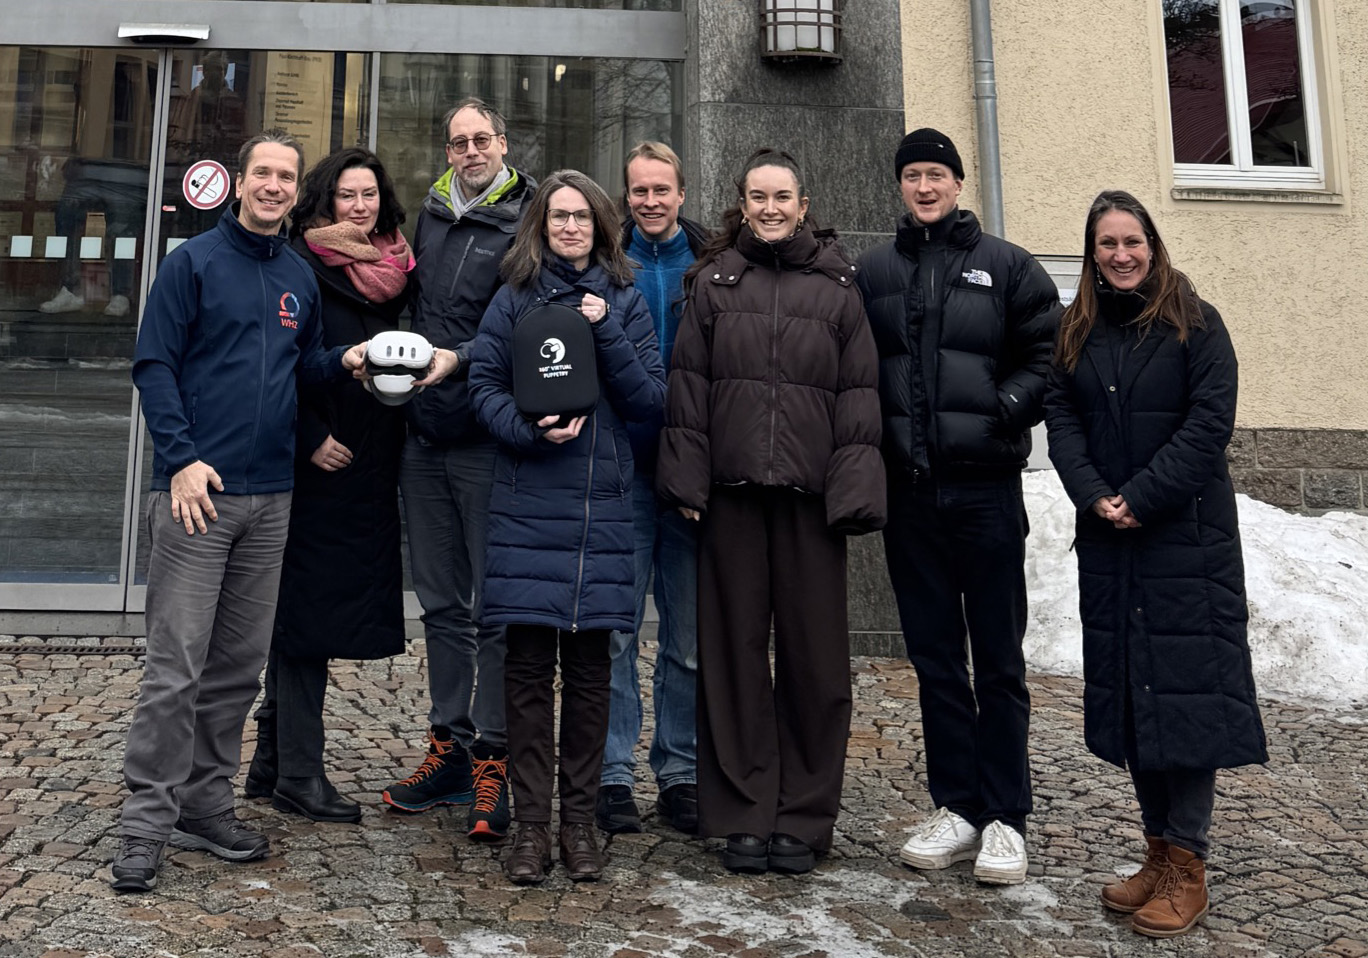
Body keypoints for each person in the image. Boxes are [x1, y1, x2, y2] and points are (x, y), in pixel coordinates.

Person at [112, 132, 401, 893]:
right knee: (177, 668)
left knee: (238, 669)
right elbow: (154, 365)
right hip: (197, 496)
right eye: (263, 174)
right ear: (240, 183)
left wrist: (342, 360)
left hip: (272, 498)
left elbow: (299, 366)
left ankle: (205, 806)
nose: (274, 186)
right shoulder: (192, 265)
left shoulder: (300, 277)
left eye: (286, 177)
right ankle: (146, 824)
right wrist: (180, 459)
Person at [1044, 190, 1267, 938]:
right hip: (1112, 542)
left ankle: (1190, 866)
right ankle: (1157, 852)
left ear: (1153, 243)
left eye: (1132, 240)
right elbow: (1062, 419)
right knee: (1137, 699)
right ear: (1092, 253)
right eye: (1106, 243)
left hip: (1185, 542)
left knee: (1187, 698)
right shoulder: (1076, 330)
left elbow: (1211, 424)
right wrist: (1093, 496)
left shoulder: (1196, 325)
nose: (1121, 254)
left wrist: (1140, 497)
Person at [656, 148, 885, 876]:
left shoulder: (840, 288)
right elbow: (688, 388)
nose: (770, 208)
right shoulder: (716, 283)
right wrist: (686, 484)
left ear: (804, 202)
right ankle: (744, 813)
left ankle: (804, 817)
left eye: (782, 195)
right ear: (743, 203)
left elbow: (858, 397)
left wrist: (853, 492)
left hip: (812, 504)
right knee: (733, 663)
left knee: (817, 667)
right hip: (732, 499)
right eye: (758, 196)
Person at [855, 128, 1060, 885]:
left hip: (986, 494)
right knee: (937, 661)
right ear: (900, 186)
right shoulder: (871, 270)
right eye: (912, 175)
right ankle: (958, 806)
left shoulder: (1006, 266)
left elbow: (1050, 354)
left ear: (958, 182)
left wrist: (1007, 407)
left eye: (937, 174)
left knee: (999, 663)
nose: (925, 186)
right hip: (912, 496)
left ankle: (1007, 816)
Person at [468, 169, 665, 885]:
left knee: (587, 679)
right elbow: (482, 386)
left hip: (599, 513)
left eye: (583, 216)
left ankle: (579, 827)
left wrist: (603, 327)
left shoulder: (623, 299)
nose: (571, 227)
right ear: (541, 226)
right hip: (528, 505)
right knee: (525, 678)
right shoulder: (513, 298)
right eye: (559, 217)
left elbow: (649, 399)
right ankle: (530, 832)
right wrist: (524, 430)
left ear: (601, 225)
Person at [246, 147, 437, 823]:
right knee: (305, 618)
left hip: (372, 465)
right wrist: (308, 437)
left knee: (315, 612)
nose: (360, 207)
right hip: (317, 463)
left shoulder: (398, 270)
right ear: (323, 204)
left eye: (369, 196)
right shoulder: (300, 265)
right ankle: (299, 774)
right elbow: (274, 365)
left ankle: (271, 765)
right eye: (346, 197)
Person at [383, 97, 537, 843]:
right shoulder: (432, 214)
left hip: (484, 434)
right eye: (458, 142)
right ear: (446, 152)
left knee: (494, 607)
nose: (470, 151)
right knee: (441, 603)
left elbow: (527, 325)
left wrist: (464, 362)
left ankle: (494, 760)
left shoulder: (529, 215)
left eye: (481, 139)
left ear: (503, 145)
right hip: (425, 434)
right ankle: (448, 745)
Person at [596, 141, 711, 836]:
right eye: (638, 191)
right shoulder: (610, 268)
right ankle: (612, 773)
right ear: (626, 196)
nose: (650, 201)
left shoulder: (711, 268)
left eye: (661, 189)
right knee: (614, 632)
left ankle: (680, 771)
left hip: (693, 476)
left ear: (681, 191)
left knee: (688, 637)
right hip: (622, 472)